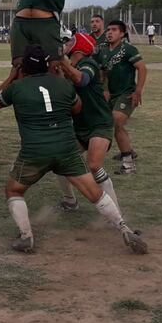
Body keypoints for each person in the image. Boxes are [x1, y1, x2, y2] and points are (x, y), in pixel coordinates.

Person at [0, 45, 147, 255]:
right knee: (95, 193)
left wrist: (11, 78)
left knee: (14, 190)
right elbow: (77, 107)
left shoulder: (17, 87)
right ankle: (124, 228)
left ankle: (26, 236)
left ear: (23, 67)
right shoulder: (63, 85)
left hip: (35, 151)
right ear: (48, 65)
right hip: (66, 148)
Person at [56, 33, 121, 211]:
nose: (66, 44)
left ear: (79, 46)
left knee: (93, 164)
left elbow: (81, 80)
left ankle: (116, 213)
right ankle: (70, 201)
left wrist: (61, 61)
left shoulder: (87, 63)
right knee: (60, 160)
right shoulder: (71, 66)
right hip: (80, 126)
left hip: (100, 123)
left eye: (70, 41)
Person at [99, 20, 147, 174]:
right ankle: (128, 151)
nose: (109, 33)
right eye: (108, 30)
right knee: (106, 122)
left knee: (116, 122)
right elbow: (103, 73)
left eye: (114, 30)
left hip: (127, 93)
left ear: (122, 33)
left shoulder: (129, 49)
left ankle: (128, 164)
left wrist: (138, 91)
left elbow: (142, 68)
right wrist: (104, 89)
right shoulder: (103, 50)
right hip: (111, 95)